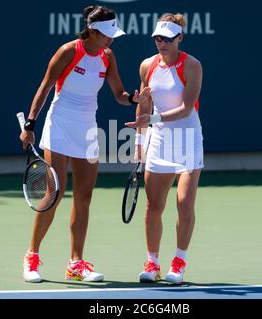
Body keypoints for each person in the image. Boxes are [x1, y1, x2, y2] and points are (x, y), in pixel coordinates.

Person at [20, 5, 150, 283]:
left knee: (84, 197)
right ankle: (31, 256)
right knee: (54, 193)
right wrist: (30, 124)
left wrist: (132, 100)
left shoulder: (107, 56)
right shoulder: (69, 51)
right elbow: (44, 87)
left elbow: (118, 93)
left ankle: (75, 263)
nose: (111, 39)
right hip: (60, 124)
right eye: (106, 34)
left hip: (87, 128)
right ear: (91, 31)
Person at [125, 13, 204, 285]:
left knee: (184, 203)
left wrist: (153, 119)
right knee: (153, 205)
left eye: (168, 39)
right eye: (158, 38)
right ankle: (152, 262)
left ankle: (179, 262)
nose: (162, 43)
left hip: (187, 139)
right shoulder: (147, 65)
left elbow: (186, 108)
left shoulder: (192, 66)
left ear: (179, 37)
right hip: (158, 140)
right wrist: (139, 141)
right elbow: (144, 104)